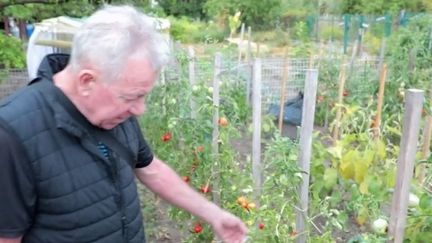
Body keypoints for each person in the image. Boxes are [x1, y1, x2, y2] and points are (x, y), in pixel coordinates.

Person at [0, 5, 247, 243]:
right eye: (131, 97)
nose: (140, 109)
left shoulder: (115, 111)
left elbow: (150, 168)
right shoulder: (13, 135)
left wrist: (213, 214)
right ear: (87, 81)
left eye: (143, 95)